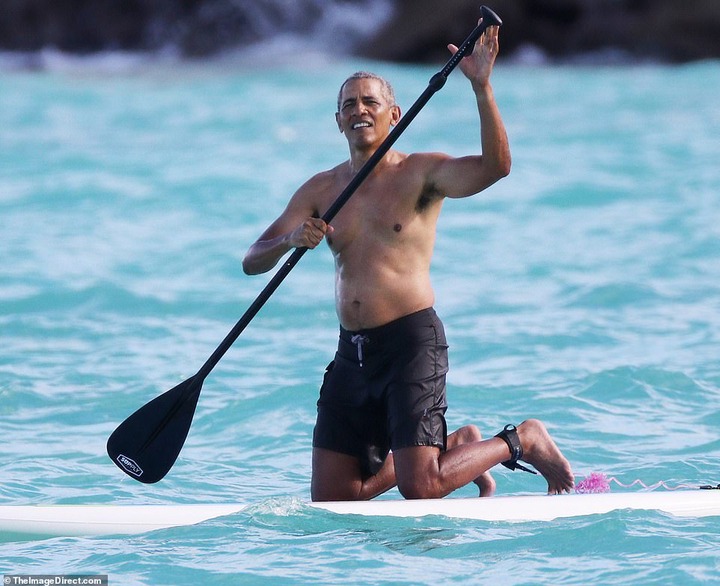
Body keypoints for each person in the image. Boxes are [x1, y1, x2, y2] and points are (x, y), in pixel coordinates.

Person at [242, 23, 574, 501]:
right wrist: (290, 239)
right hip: (350, 355)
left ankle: (521, 439)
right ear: (337, 121)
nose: (360, 110)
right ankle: (457, 444)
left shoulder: (420, 173)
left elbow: (494, 168)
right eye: (349, 105)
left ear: (394, 115)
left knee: (423, 488)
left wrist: (482, 88)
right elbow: (253, 261)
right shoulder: (319, 190)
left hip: (410, 344)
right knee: (336, 502)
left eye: (370, 102)